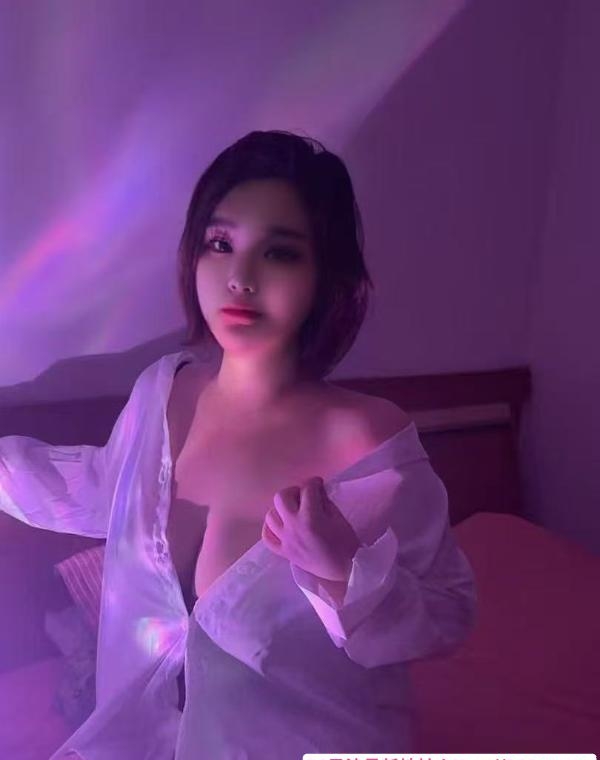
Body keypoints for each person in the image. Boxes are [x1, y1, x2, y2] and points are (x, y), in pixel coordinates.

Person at [0, 130, 477, 759]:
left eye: (279, 253)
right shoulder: (164, 392)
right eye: (220, 244)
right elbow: (104, 489)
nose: (240, 279)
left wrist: (344, 571)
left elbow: (446, 614)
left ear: (324, 274)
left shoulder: (364, 440)